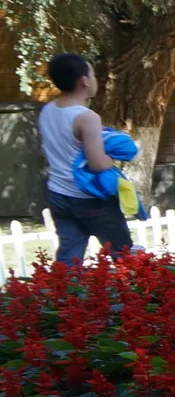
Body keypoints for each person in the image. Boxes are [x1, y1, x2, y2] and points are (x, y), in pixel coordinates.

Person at [38, 53, 135, 266]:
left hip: (58, 194)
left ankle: (64, 296)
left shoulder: (47, 110)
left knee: (68, 257)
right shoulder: (87, 117)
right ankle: (138, 295)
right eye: (92, 74)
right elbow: (97, 164)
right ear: (84, 81)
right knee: (123, 254)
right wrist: (111, 158)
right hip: (90, 197)